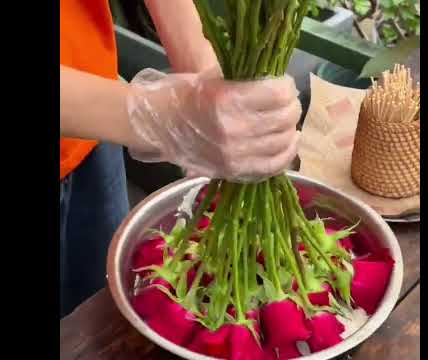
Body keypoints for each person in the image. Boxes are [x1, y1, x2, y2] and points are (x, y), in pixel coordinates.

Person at [60, 0, 301, 318]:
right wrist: (156, 116)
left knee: (97, 309)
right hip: (103, 114)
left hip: (94, 130)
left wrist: (215, 87)